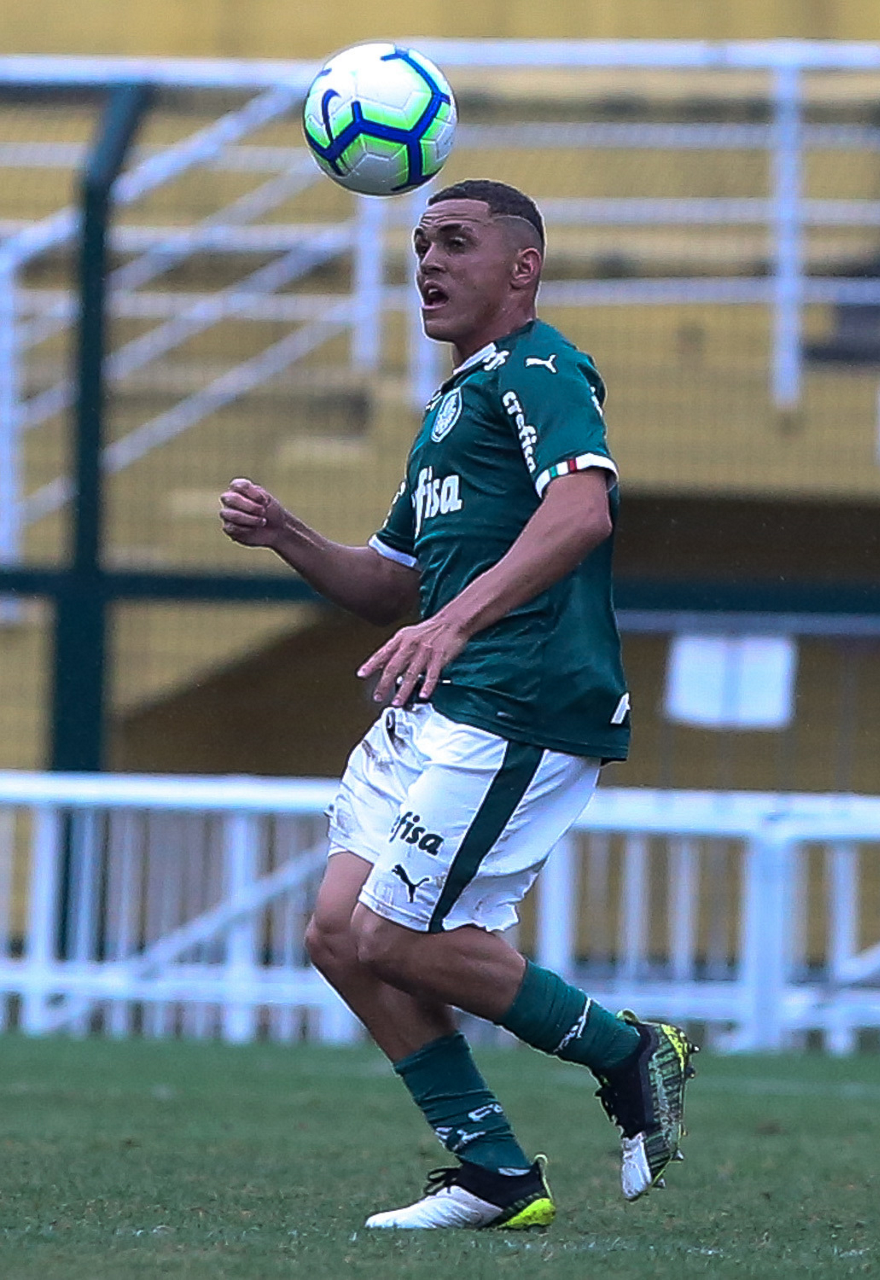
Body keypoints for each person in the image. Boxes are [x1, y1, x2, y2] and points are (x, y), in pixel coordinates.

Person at [219, 179, 696, 1231]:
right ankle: (493, 1172)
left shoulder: (540, 368)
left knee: (392, 936)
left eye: (456, 242)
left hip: (519, 699)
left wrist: (453, 624)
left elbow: (582, 510)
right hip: (444, 701)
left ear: (522, 266)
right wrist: (287, 533)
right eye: (420, 243)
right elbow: (389, 584)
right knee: (338, 934)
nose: (428, 262)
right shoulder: (449, 407)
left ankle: (628, 1049)